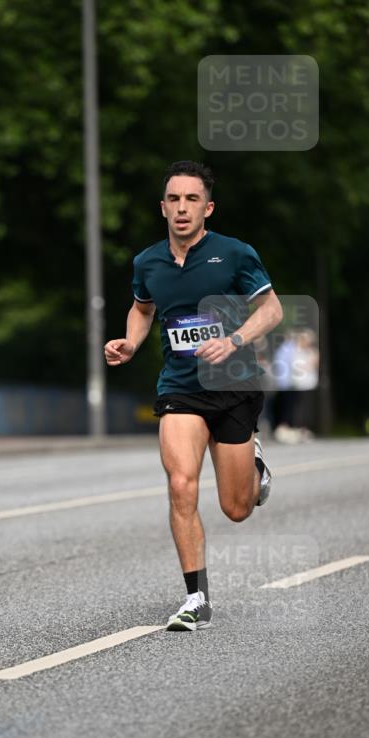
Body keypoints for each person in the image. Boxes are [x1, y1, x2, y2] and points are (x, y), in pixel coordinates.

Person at [104, 160, 283, 631]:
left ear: (208, 207)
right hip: (180, 387)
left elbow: (272, 309)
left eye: (192, 199)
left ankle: (254, 464)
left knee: (236, 508)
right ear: (163, 208)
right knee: (181, 484)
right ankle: (196, 597)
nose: (183, 208)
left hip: (234, 386)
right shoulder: (148, 262)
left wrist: (235, 340)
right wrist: (131, 342)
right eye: (174, 200)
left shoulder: (235, 254)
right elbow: (142, 309)